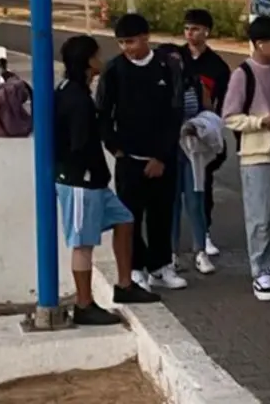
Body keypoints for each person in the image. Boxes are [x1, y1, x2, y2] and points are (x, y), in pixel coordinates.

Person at [56, 35, 161, 325]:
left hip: (95, 181)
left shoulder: (74, 91)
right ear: (88, 60)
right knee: (83, 243)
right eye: (97, 55)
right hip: (81, 182)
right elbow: (76, 144)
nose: (101, 59)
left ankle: (125, 285)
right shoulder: (76, 99)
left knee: (125, 220)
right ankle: (83, 304)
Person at [97, 13, 188, 291]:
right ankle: (136, 268)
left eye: (132, 41)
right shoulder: (113, 70)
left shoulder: (168, 66)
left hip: (163, 159)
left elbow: (176, 113)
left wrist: (161, 156)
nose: (128, 48)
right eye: (122, 42)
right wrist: (118, 150)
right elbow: (102, 114)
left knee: (162, 214)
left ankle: (161, 265)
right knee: (129, 217)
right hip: (129, 159)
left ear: (146, 37)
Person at [222, 16, 270, 302]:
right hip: (258, 156)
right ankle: (260, 270)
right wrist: (261, 122)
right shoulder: (243, 73)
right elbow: (229, 117)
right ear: (258, 44)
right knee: (261, 219)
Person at [156, 42, 214, 276]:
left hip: (191, 148)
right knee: (172, 203)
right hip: (168, 150)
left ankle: (200, 251)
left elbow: (208, 111)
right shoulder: (158, 85)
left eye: (177, 59)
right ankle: (171, 253)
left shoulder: (194, 84)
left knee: (195, 199)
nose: (175, 64)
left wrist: (198, 125)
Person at [179, 8, 229, 258]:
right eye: (187, 28)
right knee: (176, 188)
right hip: (177, 131)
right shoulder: (175, 57)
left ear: (206, 32)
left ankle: (204, 233)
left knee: (202, 185)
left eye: (196, 29)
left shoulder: (217, 66)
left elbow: (223, 102)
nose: (190, 34)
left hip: (202, 132)